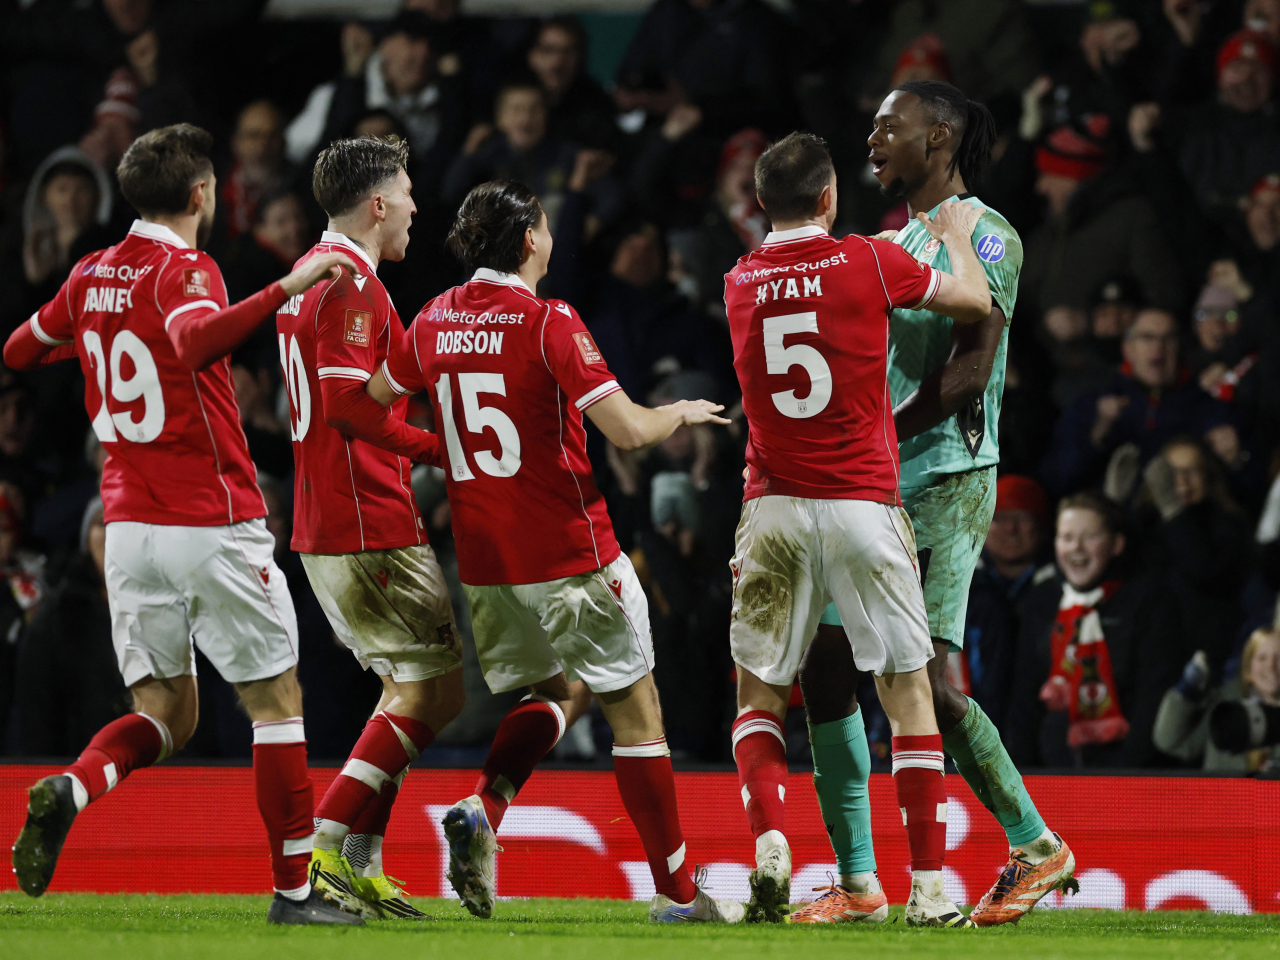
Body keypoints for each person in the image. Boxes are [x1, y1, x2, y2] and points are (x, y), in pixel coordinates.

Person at [2, 124, 361, 926]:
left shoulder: (90, 273)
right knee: (275, 701)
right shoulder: (187, 268)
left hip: (126, 526)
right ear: (201, 193)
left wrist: (97, 342)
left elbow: (21, 350)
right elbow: (196, 340)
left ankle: (73, 785)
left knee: (169, 712)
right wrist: (285, 288)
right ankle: (296, 892)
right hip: (209, 515)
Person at [358, 179, 741, 924]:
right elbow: (627, 431)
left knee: (560, 692)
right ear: (530, 239)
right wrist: (681, 411)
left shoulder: (432, 318)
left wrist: (439, 452)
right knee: (638, 714)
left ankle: (484, 808)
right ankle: (678, 896)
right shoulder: (548, 321)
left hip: (490, 565)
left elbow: (374, 400)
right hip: (572, 553)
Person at [786, 82, 1073, 928]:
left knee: (927, 682)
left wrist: (879, 434)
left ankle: (1035, 845)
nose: (871, 138)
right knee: (828, 673)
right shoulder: (890, 240)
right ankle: (859, 882)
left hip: (945, 478)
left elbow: (972, 370)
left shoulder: (985, 234)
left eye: (889, 126)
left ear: (939, 137)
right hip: (876, 482)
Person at [721, 130, 994, 927]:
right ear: (830, 198)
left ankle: (772, 843)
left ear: (763, 205)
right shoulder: (868, 261)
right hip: (863, 505)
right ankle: (932, 889)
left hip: (771, 507)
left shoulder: (738, 280)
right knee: (906, 691)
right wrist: (951, 243)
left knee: (761, 695)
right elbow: (975, 302)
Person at [276, 135, 464, 921]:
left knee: (407, 692)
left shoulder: (306, 280)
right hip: (364, 520)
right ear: (378, 203)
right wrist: (446, 452)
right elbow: (352, 410)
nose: (419, 206)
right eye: (409, 193)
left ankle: (363, 858)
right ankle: (324, 849)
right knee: (435, 691)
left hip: (331, 517)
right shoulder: (351, 283)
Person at [1005, 491, 1183, 770]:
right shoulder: (1042, 601)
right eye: (1067, 537)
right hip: (1049, 773)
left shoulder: (1149, 602)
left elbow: (1153, 698)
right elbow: (1025, 699)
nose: (1076, 548)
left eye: (1090, 537)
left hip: (1126, 772)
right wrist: (1018, 774)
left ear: (1117, 544)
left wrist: (1124, 774)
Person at [1154, 630, 1280, 772]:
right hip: (1222, 793)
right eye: (1262, 658)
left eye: (1279, 658)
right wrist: (1187, 689)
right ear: (1248, 669)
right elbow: (1171, 743)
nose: (1271, 665)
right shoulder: (1225, 705)